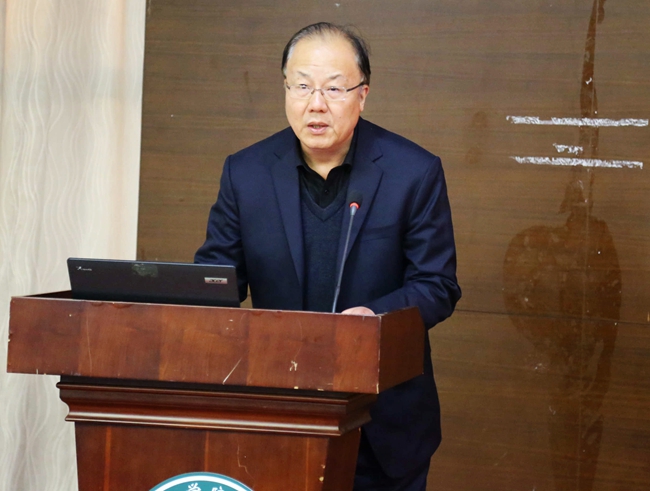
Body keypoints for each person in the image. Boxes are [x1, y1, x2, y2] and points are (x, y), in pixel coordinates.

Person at [195, 22, 461, 491]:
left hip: (383, 422)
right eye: (301, 86)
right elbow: (217, 279)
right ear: (285, 89)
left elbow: (437, 286)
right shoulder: (246, 172)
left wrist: (373, 318)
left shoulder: (413, 172)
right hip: (279, 413)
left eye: (334, 89)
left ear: (363, 95)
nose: (315, 103)